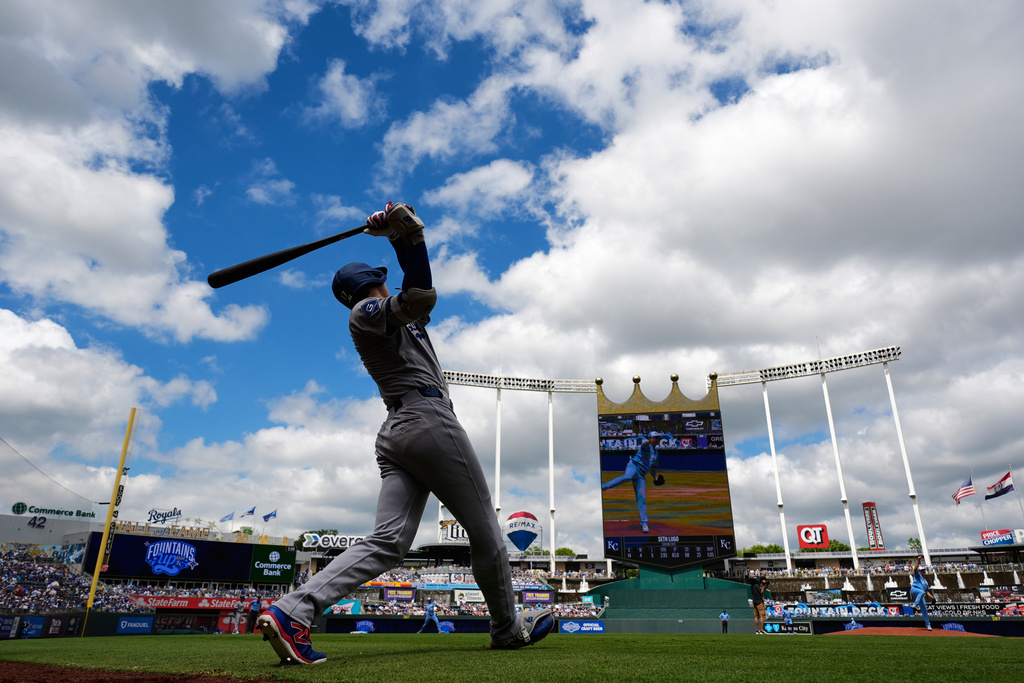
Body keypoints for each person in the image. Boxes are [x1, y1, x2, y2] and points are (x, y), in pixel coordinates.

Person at [257, 202, 553, 665]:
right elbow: (420, 296)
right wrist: (412, 238)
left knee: (389, 541)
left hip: (399, 430)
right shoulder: (365, 311)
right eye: (380, 278)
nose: (386, 282)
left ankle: (293, 610)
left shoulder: (387, 316)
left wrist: (397, 235)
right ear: (369, 285)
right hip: (426, 422)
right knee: (489, 536)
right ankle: (506, 630)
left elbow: (415, 302)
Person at [601, 431, 661, 533]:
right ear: (651, 438)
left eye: (658, 437)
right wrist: (648, 440)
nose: (657, 439)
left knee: (641, 498)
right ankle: (604, 486)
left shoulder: (656, 454)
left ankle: (644, 523)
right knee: (628, 476)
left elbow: (652, 468)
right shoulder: (647, 446)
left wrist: (655, 478)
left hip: (641, 475)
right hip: (634, 466)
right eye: (655, 437)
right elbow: (643, 445)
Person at [910, 556, 934, 631]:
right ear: (920, 571)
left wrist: (932, 597)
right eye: (922, 570)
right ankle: (915, 604)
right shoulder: (918, 575)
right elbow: (915, 569)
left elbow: (927, 591)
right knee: (922, 592)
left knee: (924, 610)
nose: (923, 572)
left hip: (921, 595)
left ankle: (928, 625)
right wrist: (918, 560)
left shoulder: (926, 581)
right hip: (914, 589)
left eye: (924, 570)